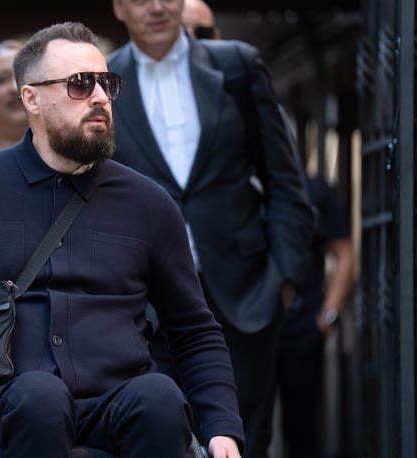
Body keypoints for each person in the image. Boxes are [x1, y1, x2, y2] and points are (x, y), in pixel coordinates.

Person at [0, 21, 244, 458]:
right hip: (7, 408)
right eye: (80, 85)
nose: (101, 97)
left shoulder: (149, 204)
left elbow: (195, 330)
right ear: (31, 98)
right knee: (40, 398)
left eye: (106, 83)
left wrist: (222, 428)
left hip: (119, 403)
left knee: (159, 398)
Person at [108, 1, 315, 457]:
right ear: (119, 7)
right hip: (144, 310)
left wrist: (282, 280)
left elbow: (285, 181)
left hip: (244, 302)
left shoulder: (237, 65)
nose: (158, 6)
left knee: (243, 443)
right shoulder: (103, 81)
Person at [276, 173, 354, 458]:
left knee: (303, 430)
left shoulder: (315, 190)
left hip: (303, 327)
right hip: (253, 328)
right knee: (247, 426)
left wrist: (327, 317)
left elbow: (344, 254)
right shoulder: (243, 185)